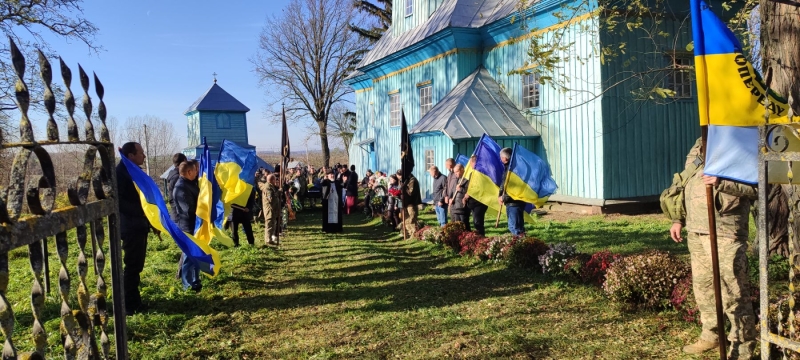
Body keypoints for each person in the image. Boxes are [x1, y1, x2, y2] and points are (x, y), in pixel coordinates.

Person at [664, 138, 756, 358]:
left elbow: (758, 185)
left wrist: (722, 183)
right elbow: (687, 181)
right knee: (704, 288)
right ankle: (711, 335)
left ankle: (742, 347)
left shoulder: (741, 140)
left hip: (725, 230)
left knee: (733, 291)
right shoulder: (701, 141)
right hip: (696, 228)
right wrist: (678, 219)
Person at [116, 142, 150, 315]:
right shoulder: (121, 173)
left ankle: (133, 300)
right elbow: (121, 202)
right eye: (141, 153)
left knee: (136, 266)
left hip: (138, 225)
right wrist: (144, 212)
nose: (144, 156)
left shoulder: (131, 170)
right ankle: (130, 305)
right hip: (131, 226)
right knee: (132, 266)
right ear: (131, 156)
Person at [173, 160, 202, 292]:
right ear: (189, 172)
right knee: (189, 257)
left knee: (196, 255)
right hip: (188, 226)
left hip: (195, 225)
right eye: (195, 170)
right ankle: (188, 284)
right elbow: (188, 209)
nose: (197, 172)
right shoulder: (181, 187)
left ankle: (196, 281)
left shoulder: (189, 183)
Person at [498, 147, 526, 236]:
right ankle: (522, 245)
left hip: (515, 202)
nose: (500, 159)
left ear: (505, 158)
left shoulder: (514, 170)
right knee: (515, 226)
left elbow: (515, 188)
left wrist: (504, 197)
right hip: (510, 202)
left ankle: (519, 246)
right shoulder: (507, 168)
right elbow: (504, 184)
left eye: (501, 157)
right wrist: (500, 195)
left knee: (515, 227)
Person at [466, 156, 489, 236]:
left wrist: (469, 193)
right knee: (476, 222)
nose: (470, 165)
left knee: (478, 223)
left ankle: (481, 240)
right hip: (472, 202)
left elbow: (478, 187)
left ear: (474, 162)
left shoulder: (482, 173)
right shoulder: (472, 173)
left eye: (470, 163)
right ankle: (479, 239)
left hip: (479, 202)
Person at [259, 174, 282, 246]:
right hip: (269, 209)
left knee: (272, 224)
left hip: (273, 208)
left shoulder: (270, 186)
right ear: (272, 180)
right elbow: (271, 199)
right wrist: (278, 192)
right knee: (269, 224)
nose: (275, 181)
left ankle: (270, 239)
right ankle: (268, 240)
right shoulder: (268, 187)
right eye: (275, 180)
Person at [399, 169, 422, 238]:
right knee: (405, 219)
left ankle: (414, 234)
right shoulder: (405, 180)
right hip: (404, 202)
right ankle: (408, 233)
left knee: (412, 218)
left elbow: (411, 193)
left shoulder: (412, 180)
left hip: (411, 202)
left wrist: (404, 186)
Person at [166, 153, 187, 222]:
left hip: (176, 213)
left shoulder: (173, 175)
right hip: (179, 215)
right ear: (184, 161)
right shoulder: (177, 177)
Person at [449, 164, 470, 229]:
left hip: (463, 207)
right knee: (457, 225)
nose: (455, 174)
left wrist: (460, 189)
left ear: (462, 170)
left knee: (464, 224)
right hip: (455, 206)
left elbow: (469, 192)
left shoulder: (467, 180)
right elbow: (453, 191)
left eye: (457, 171)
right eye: (454, 172)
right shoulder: (456, 180)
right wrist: (451, 198)